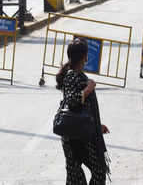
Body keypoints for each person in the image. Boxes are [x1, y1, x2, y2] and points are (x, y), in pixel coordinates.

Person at [56, 38, 110, 185]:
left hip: (82, 132)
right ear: (83, 57)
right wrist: (88, 88)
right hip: (76, 136)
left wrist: (97, 126)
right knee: (85, 174)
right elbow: (72, 100)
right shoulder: (71, 75)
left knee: (81, 174)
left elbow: (84, 109)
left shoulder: (77, 75)